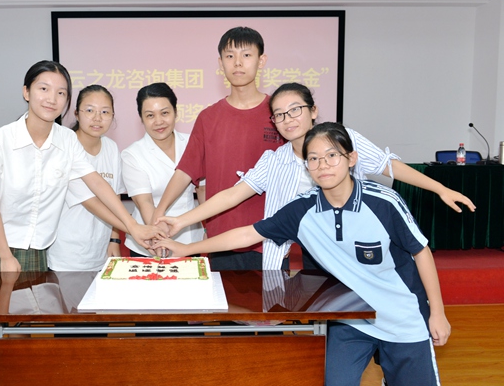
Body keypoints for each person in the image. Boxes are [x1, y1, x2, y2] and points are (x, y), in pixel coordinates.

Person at [154, 122, 451, 386]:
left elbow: (421, 252)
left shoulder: (384, 202)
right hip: (351, 318)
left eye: (332, 155)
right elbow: (248, 234)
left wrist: (437, 313)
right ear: (307, 166)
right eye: (314, 159)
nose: (323, 165)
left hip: (402, 317)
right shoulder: (303, 209)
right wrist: (187, 249)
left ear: (351, 159)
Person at [0, 61, 163, 386]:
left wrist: (133, 226)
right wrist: (5, 255)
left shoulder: (66, 141)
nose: (52, 98)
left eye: (61, 92)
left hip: (37, 247)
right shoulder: (0, 141)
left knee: (24, 323)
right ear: (26, 92)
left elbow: (96, 184)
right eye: (44, 88)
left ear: (66, 102)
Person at [157, 82, 476, 270]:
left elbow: (387, 165)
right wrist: (181, 221)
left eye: (295, 109)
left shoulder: (341, 139)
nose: (288, 119)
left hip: (358, 247)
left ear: (312, 110)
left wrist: (439, 188)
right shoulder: (274, 160)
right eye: (279, 114)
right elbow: (231, 195)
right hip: (315, 252)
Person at [152, 26, 284, 270]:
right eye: (230, 56)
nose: (238, 63)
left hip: (270, 239)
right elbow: (185, 171)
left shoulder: (279, 115)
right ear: (220, 62)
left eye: (246, 55)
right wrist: (159, 213)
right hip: (219, 240)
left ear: (261, 60)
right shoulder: (208, 117)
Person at [47, 85, 126, 271]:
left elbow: (115, 196)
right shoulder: (64, 148)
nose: (97, 118)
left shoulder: (111, 147)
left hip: (100, 252)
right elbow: (91, 202)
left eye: (105, 112)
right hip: (66, 255)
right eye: (90, 110)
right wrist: (134, 228)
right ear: (76, 113)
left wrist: (114, 239)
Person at [121, 82, 205, 257]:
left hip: (191, 239)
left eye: (165, 113)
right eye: (150, 115)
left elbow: (203, 190)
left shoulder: (192, 143)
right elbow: (144, 202)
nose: (158, 121)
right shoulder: (132, 154)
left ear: (176, 112)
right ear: (141, 119)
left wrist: (209, 228)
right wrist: (158, 237)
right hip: (149, 242)